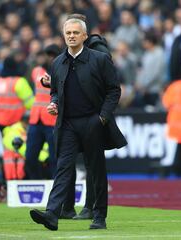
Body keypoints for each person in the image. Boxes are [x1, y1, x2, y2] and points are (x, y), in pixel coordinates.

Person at [29, 15, 127, 231]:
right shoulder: (57, 62)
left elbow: (114, 90)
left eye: (75, 33)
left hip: (93, 121)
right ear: (64, 36)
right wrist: (54, 103)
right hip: (68, 123)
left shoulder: (99, 59)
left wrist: (102, 117)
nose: (71, 36)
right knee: (63, 167)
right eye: (68, 33)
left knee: (96, 169)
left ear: (84, 35)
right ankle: (52, 214)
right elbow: (56, 91)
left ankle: (99, 216)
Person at [25, 44, 60, 180]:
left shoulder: (62, 71)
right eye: (48, 55)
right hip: (36, 119)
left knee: (54, 158)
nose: (49, 58)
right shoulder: (36, 71)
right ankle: (37, 183)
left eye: (52, 55)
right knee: (30, 157)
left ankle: (55, 186)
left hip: (53, 120)